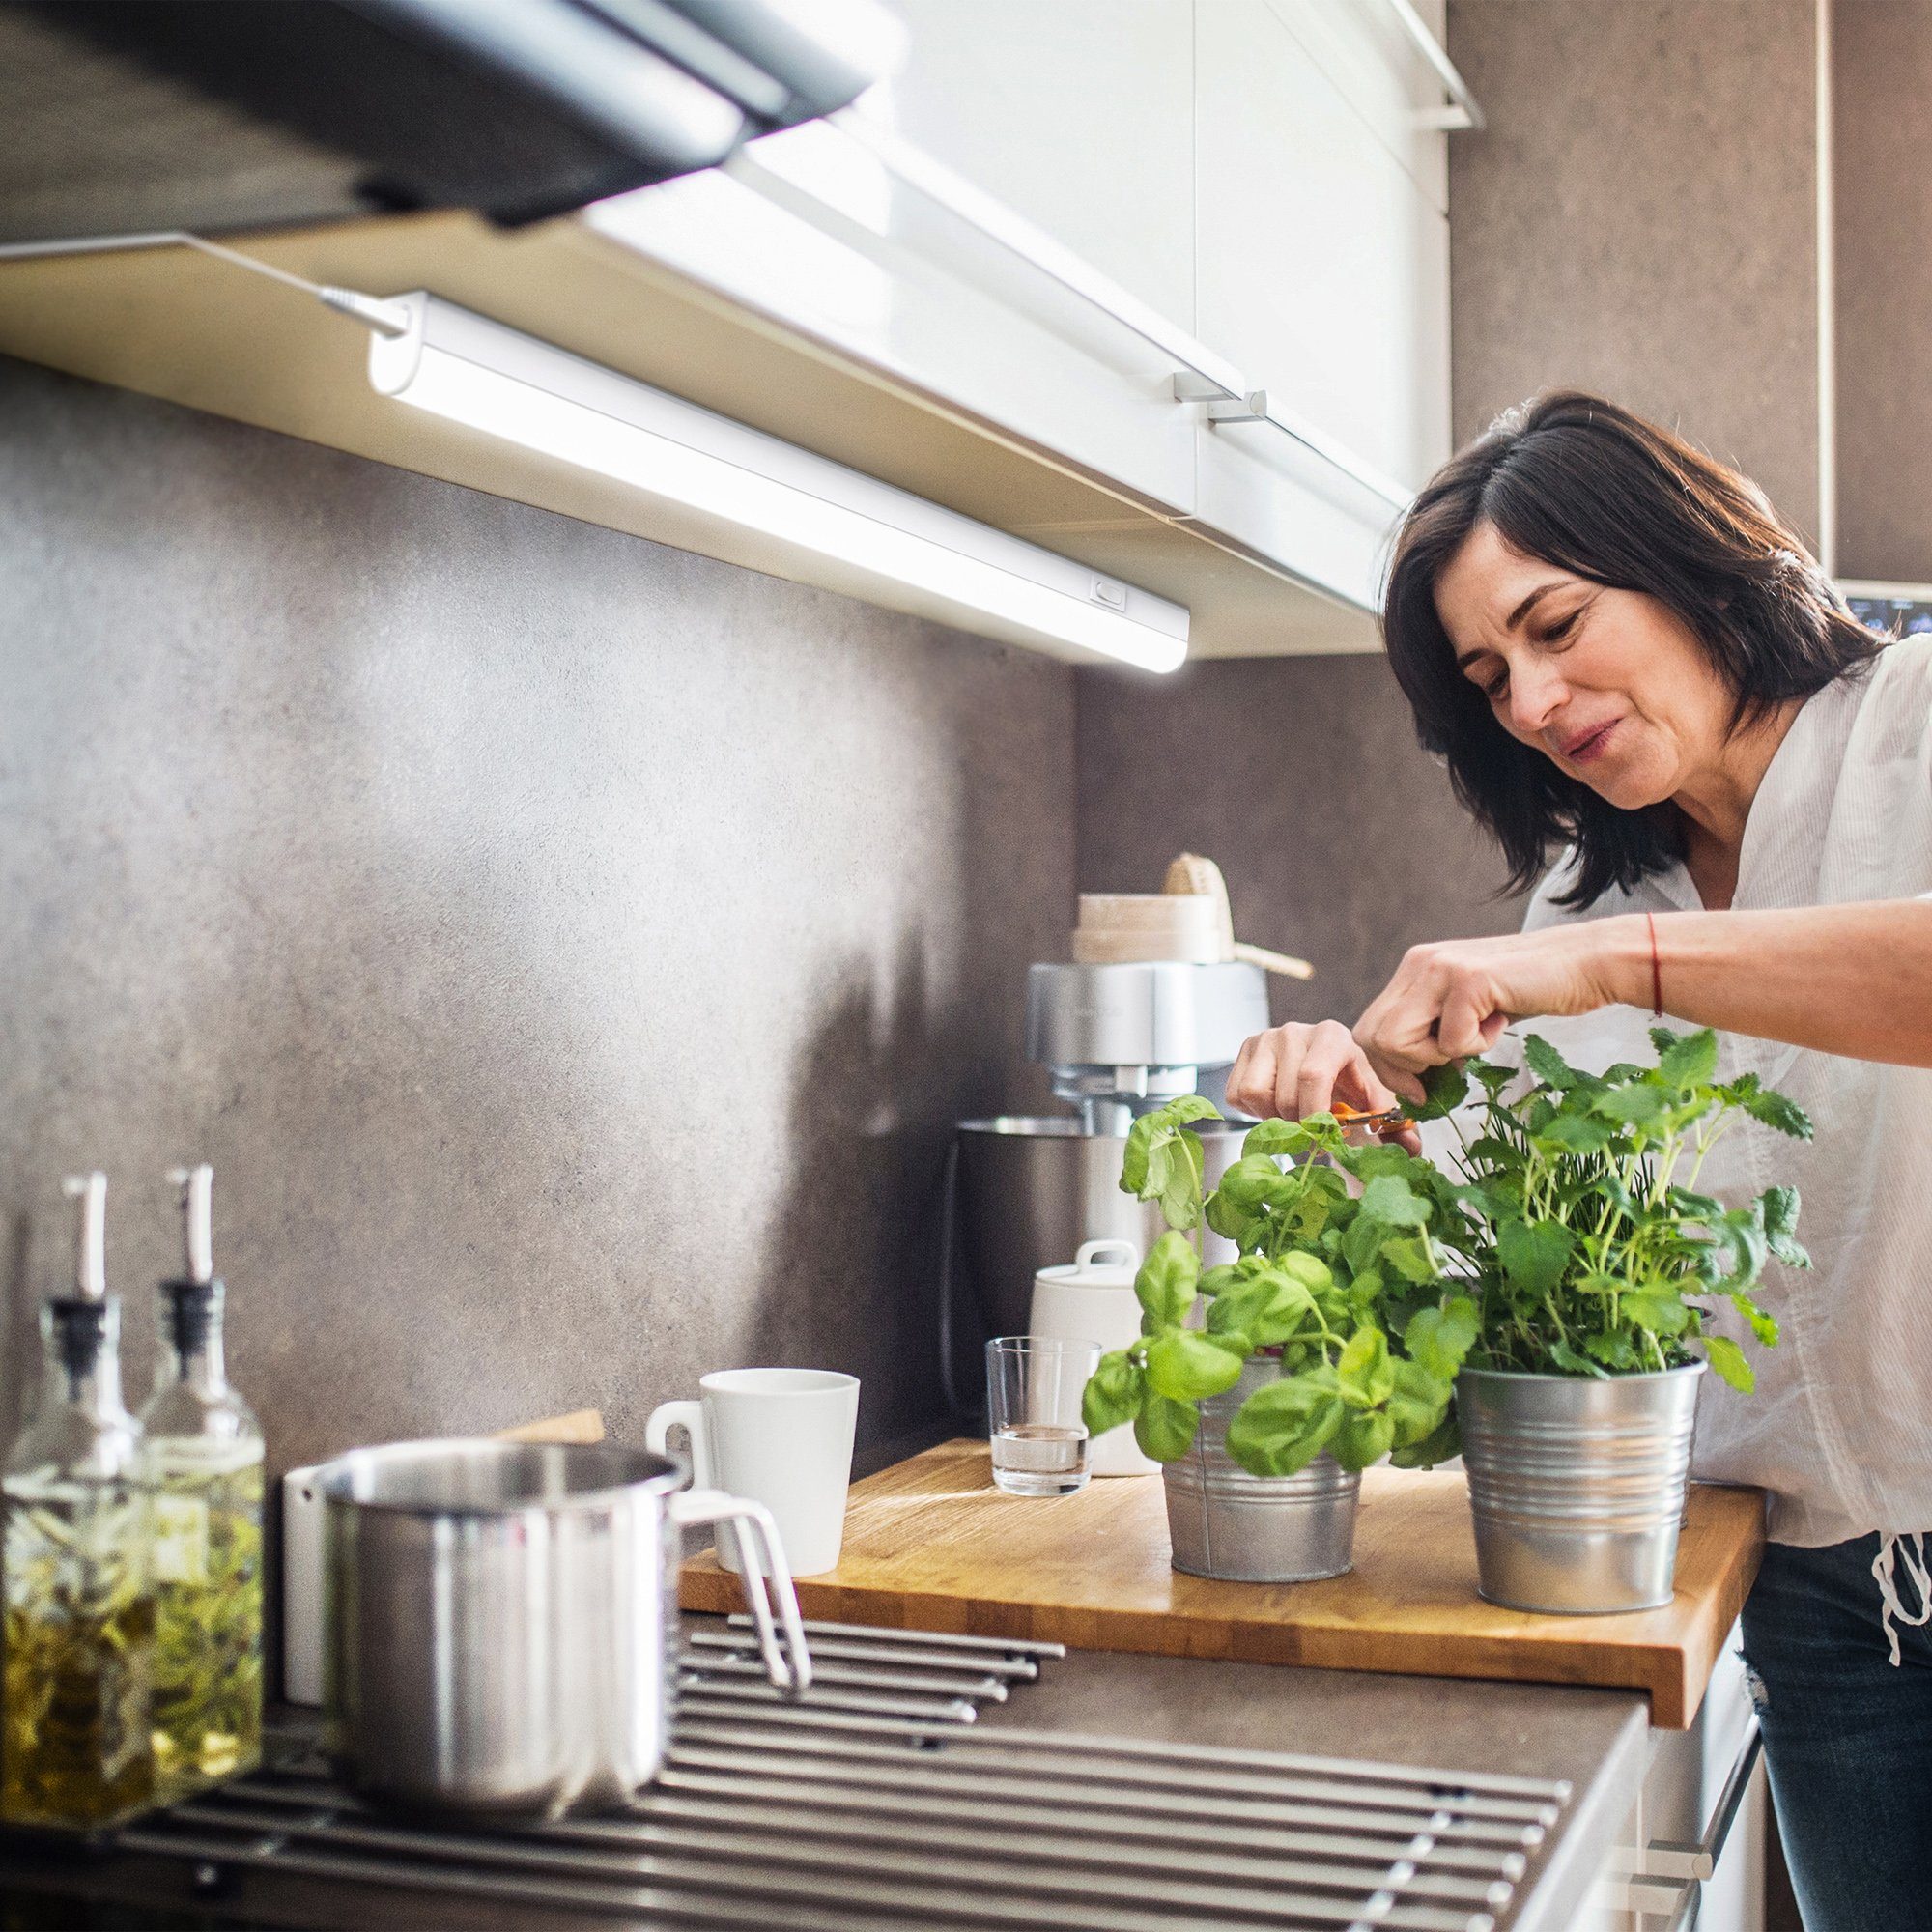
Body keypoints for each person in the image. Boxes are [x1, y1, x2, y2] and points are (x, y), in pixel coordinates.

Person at [1224, 391, 1932, 1932]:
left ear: (1691, 565)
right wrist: (1346, 1124)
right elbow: (1494, 1223)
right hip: (1822, 1605)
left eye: (1555, 625)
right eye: (1491, 676)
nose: (1534, 699)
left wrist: (1631, 963)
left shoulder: (1917, 724)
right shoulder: (1579, 899)